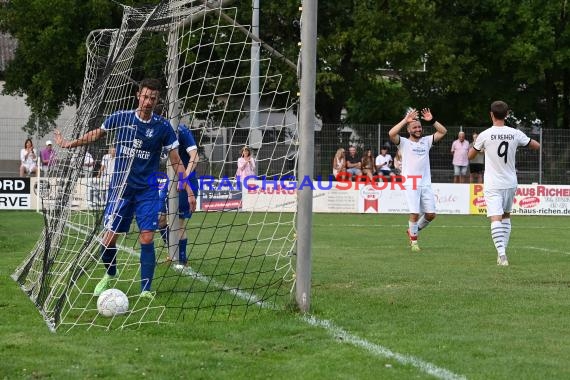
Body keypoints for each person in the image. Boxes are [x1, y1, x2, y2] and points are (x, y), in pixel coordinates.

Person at [54, 78, 196, 298]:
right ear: (138, 95)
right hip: (120, 190)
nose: (148, 101)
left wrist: (188, 190)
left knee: (147, 237)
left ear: (157, 101)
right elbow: (96, 134)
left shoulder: (162, 127)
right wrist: (69, 143)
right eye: (145, 96)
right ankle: (110, 274)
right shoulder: (120, 118)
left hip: (146, 192)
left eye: (153, 98)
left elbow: (177, 161)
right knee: (108, 240)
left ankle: (146, 290)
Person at [468, 100, 540, 266]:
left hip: (493, 183)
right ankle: (503, 253)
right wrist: (520, 145)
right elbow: (536, 145)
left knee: (495, 217)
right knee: (506, 215)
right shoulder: (515, 133)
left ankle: (502, 254)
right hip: (510, 181)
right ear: (507, 115)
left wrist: (479, 146)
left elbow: (470, 156)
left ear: (491, 114)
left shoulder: (485, 135)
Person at [388, 108, 447, 252]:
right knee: (414, 213)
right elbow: (391, 133)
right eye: (414, 127)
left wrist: (432, 120)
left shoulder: (426, 141)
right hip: (411, 182)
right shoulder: (403, 143)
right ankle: (414, 243)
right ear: (409, 130)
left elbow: (443, 131)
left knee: (431, 214)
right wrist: (405, 120)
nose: (418, 129)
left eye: (419, 127)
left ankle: (413, 231)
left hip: (425, 183)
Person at [158, 124, 199, 268]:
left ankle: (182, 260)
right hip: (169, 180)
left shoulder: (180, 130)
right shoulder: (158, 129)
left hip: (186, 179)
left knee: (178, 222)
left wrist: (184, 178)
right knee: (160, 219)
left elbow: (195, 156)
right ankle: (173, 252)